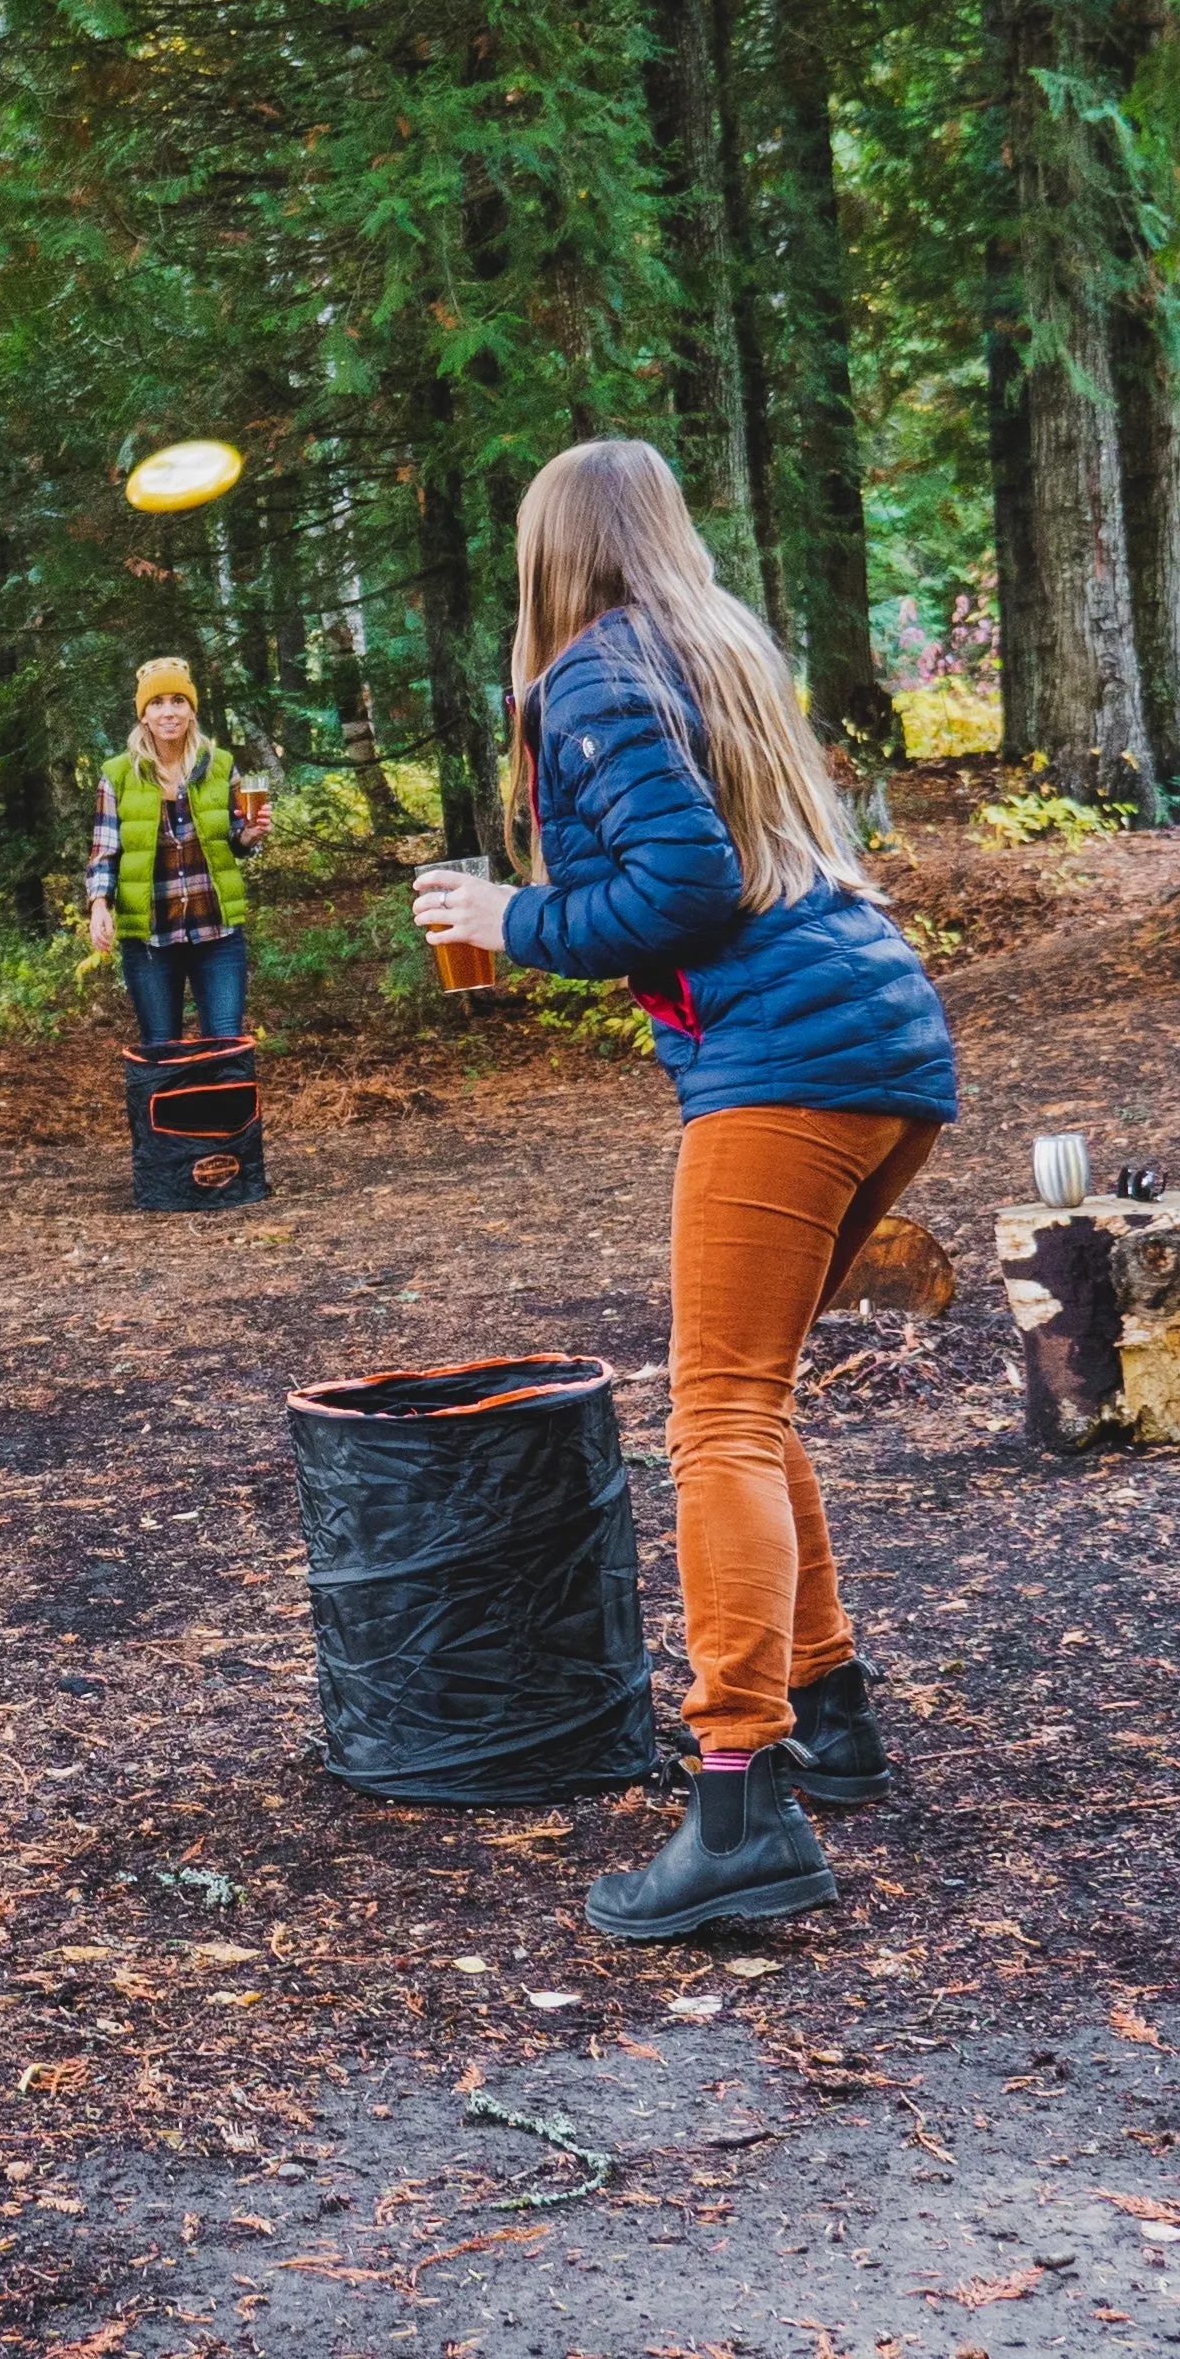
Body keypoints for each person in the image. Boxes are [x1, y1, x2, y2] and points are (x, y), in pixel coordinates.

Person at [411, 438, 957, 1942]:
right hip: (879, 1036)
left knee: (713, 1411)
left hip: (794, 1062)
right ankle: (824, 1714)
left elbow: (685, 890)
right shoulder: (709, 644)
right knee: (756, 1400)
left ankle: (740, 1798)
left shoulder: (590, 676)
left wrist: (507, 914)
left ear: (551, 552)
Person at [85, 658, 263, 1049]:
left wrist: (251, 833)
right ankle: (167, 1114)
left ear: (192, 709)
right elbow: (105, 851)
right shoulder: (117, 775)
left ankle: (227, 1113)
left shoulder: (221, 767)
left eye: (179, 701)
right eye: (158, 703)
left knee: (227, 1045)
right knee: (161, 1049)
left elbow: (237, 839)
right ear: (144, 715)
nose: (169, 711)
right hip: (150, 937)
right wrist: (99, 905)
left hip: (217, 932)